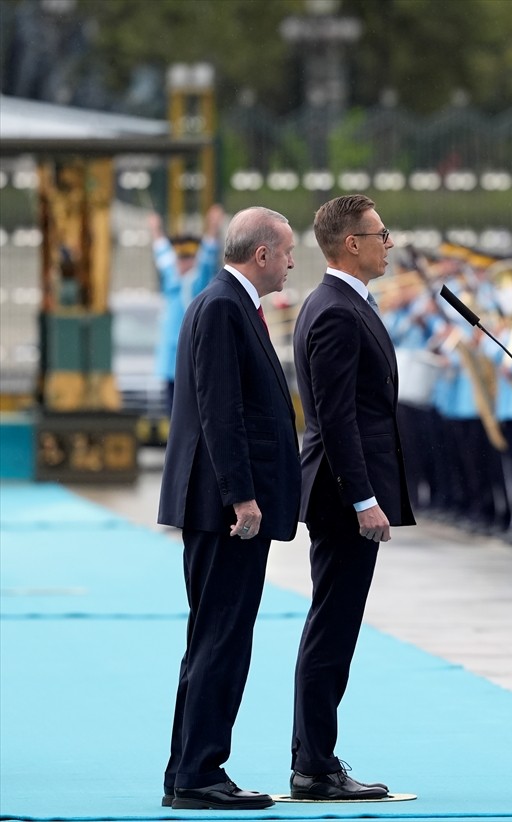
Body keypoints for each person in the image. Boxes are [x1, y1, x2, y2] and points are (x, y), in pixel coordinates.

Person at [157, 207, 300, 811]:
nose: (293, 262)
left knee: (216, 636)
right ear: (262, 254)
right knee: (221, 638)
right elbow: (221, 411)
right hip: (225, 508)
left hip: (224, 505)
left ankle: (189, 768)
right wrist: (242, 494)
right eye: (288, 251)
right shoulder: (222, 306)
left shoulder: (230, 302)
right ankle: (199, 774)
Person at [291, 194, 415, 800]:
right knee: (332, 628)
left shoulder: (340, 301)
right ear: (352, 245)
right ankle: (315, 765)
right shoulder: (337, 309)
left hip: (343, 489)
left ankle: (316, 758)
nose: (388, 243)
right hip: (341, 494)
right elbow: (337, 417)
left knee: (335, 624)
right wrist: (363, 496)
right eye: (380, 233)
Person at [150, 204, 225, 416]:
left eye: (188, 258)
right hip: (172, 361)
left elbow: (208, 256)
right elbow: (163, 254)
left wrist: (213, 227)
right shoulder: (173, 278)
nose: (183, 263)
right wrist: (155, 229)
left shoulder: (198, 282)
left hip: (194, 358)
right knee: (174, 413)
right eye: (181, 258)